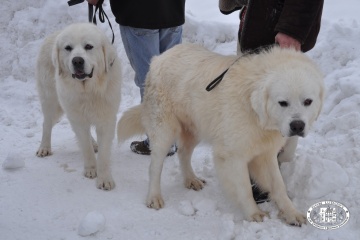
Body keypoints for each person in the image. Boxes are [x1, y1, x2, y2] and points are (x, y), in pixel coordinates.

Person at [218, 0, 324, 203]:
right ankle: (253, 167)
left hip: (276, 33)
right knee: (251, 104)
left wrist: (293, 28)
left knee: (283, 100)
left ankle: (266, 170)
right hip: (256, 23)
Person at [87, 0, 185, 156]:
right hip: (173, 12)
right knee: (168, 79)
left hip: (138, 14)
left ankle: (159, 141)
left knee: (151, 81)